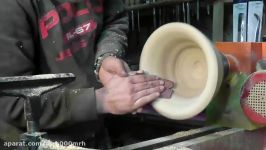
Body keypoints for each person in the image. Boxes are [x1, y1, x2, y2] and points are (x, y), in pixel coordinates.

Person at [0, 0, 169, 148]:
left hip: (96, 131)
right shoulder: (10, 8)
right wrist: (99, 100)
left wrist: (106, 56)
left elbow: (114, 19)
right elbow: (10, 102)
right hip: (40, 142)